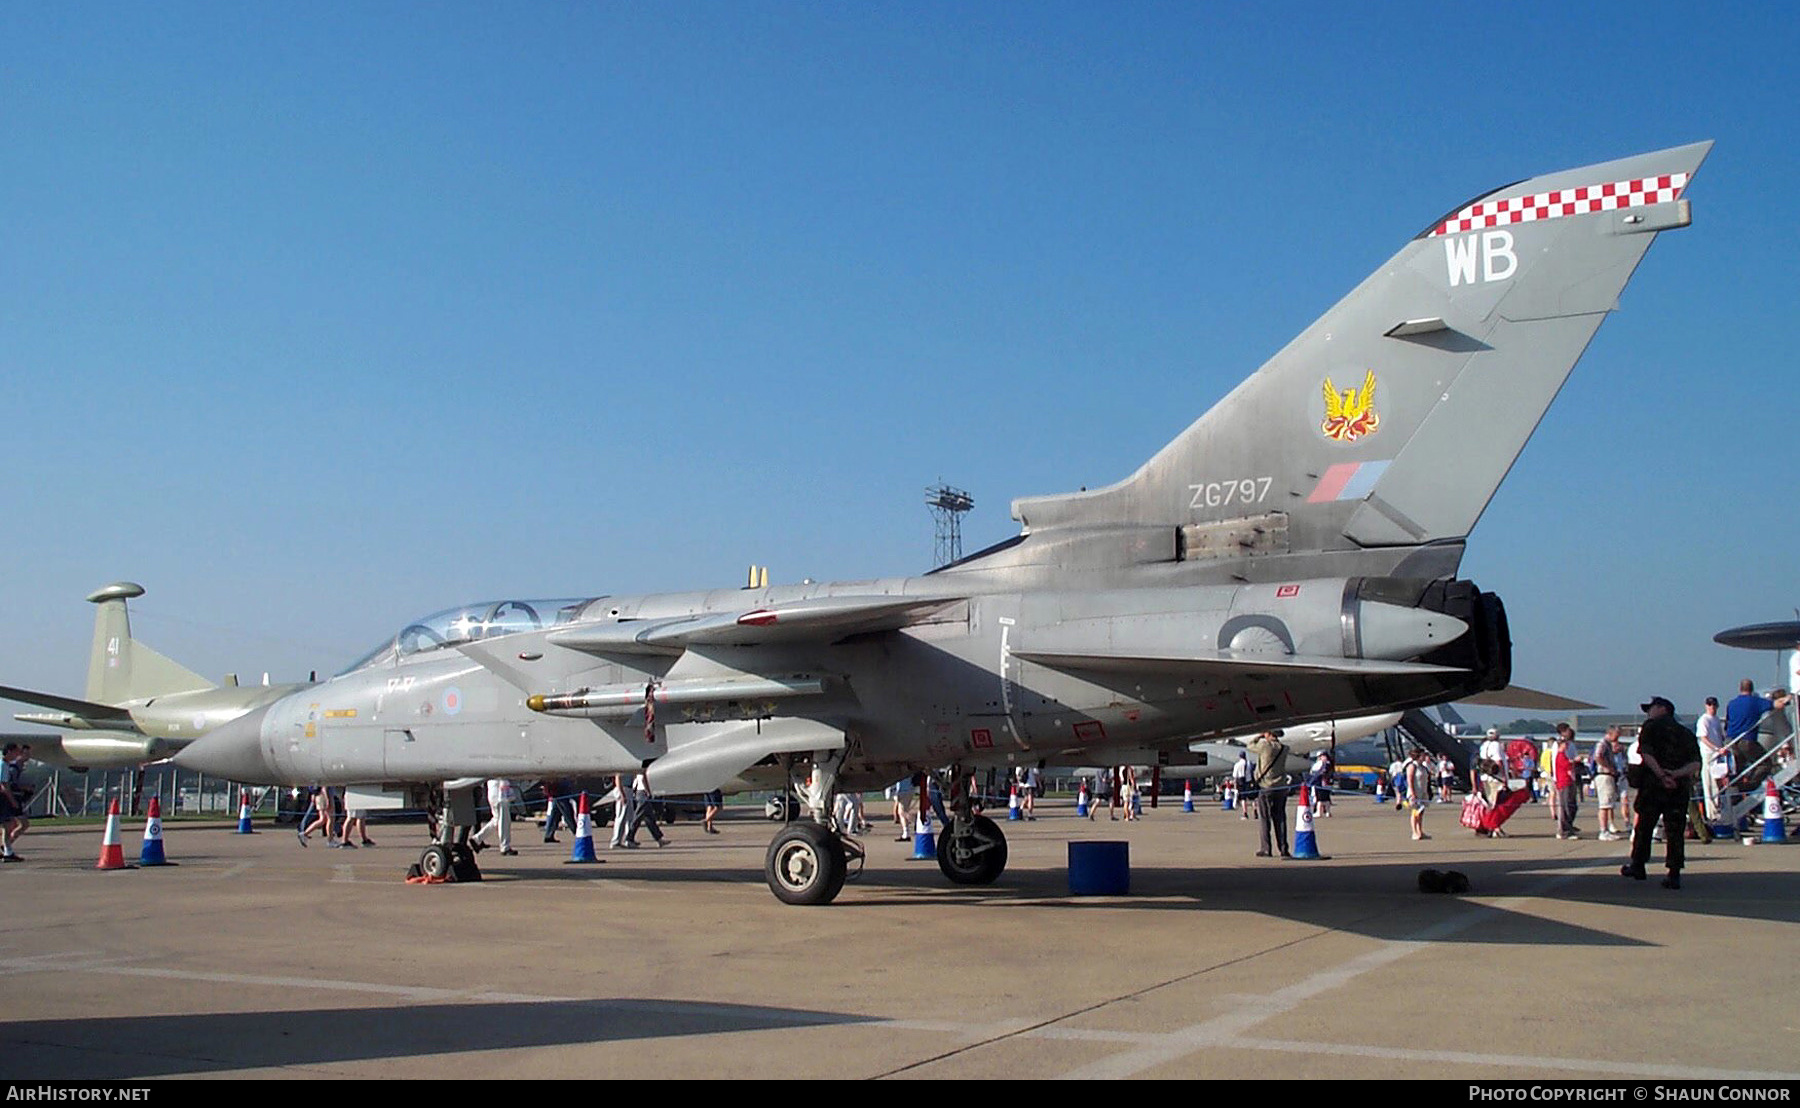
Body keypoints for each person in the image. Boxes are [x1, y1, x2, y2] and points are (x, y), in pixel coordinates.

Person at [1623, 696, 1702, 889]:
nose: (1649, 713)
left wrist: (1661, 775)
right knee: (1675, 830)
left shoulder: (1651, 727)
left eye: (1651, 708)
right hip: (1678, 788)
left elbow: (1646, 754)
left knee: (1645, 827)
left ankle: (1638, 865)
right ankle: (1674, 873)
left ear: (1663, 708)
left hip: (1653, 786)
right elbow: (1695, 764)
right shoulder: (1686, 733)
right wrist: (1675, 775)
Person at [1245, 730, 1290, 857]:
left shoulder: (1265, 746)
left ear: (1269, 734)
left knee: (1265, 818)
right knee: (1280, 818)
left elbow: (1250, 745)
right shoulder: (1284, 748)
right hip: (1281, 786)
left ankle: (1266, 848)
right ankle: (1283, 848)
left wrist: (1259, 735)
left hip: (1266, 785)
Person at [1695, 697, 1727, 822]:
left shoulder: (1717, 720)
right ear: (1706, 706)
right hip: (1708, 754)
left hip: (1717, 755)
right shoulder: (1703, 720)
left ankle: (1718, 810)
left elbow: (1720, 736)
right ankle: (1711, 814)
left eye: (1713, 705)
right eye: (1709, 705)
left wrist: (1721, 748)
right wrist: (1716, 748)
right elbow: (1703, 738)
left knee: (1717, 783)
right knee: (1708, 783)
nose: (1712, 707)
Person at [1592, 727, 1626, 841]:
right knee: (1605, 804)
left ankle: (1605, 829)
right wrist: (1609, 768)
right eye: (1616, 735)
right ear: (1610, 734)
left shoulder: (1608, 745)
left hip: (1609, 775)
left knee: (1608, 804)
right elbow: (1598, 756)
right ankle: (1603, 830)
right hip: (1604, 775)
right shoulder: (1602, 744)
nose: (1617, 738)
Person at [471, 778, 518, 855]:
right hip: (500, 794)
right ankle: (505, 846)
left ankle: (477, 839)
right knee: (504, 822)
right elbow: (502, 776)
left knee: (496, 820)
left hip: (494, 792)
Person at [625, 768, 666, 847]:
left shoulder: (639, 769)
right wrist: (648, 792)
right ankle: (629, 838)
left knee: (649, 818)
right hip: (642, 793)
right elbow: (643, 779)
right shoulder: (642, 768)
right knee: (638, 817)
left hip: (640, 792)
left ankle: (659, 839)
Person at [1552, 724, 1580, 839]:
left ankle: (1569, 825)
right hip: (1563, 780)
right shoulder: (1558, 751)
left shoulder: (1570, 745)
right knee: (1565, 805)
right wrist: (1573, 761)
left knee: (1572, 805)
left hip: (1570, 778)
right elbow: (1560, 764)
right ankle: (1564, 829)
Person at [0, 744, 25, 862]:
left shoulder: (5, 764)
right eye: (16, 752)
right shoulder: (3, 765)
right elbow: (4, 786)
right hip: (2, 798)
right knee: (7, 824)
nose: (17, 754)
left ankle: (7, 850)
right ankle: (7, 852)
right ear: (9, 752)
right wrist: (12, 800)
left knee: (8, 824)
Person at [1403, 749, 1432, 840]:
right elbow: (1410, 780)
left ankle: (1420, 831)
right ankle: (1414, 832)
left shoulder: (1423, 767)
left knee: (1421, 812)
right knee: (1415, 812)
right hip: (1414, 792)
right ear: (1418, 756)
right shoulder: (1412, 766)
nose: (1425, 757)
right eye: (1423, 755)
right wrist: (1412, 792)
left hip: (1423, 791)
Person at [541, 778, 577, 843]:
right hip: (560, 788)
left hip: (557, 788)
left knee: (555, 814)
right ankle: (576, 832)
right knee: (567, 812)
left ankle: (549, 835)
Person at [610, 772, 637, 849]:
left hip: (628, 789)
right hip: (623, 789)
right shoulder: (622, 767)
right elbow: (617, 779)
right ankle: (615, 841)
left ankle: (628, 839)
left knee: (629, 818)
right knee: (620, 817)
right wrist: (622, 794)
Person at [1232, 751, 1253, 820]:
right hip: (1249, 781)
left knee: (1243, 799)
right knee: (1252, 798)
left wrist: (1235, 786)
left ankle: (1245, 812)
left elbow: (1235, 776)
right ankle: (1255, 811)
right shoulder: (1249, 763)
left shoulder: (1237, 765)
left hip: (1241, 782)